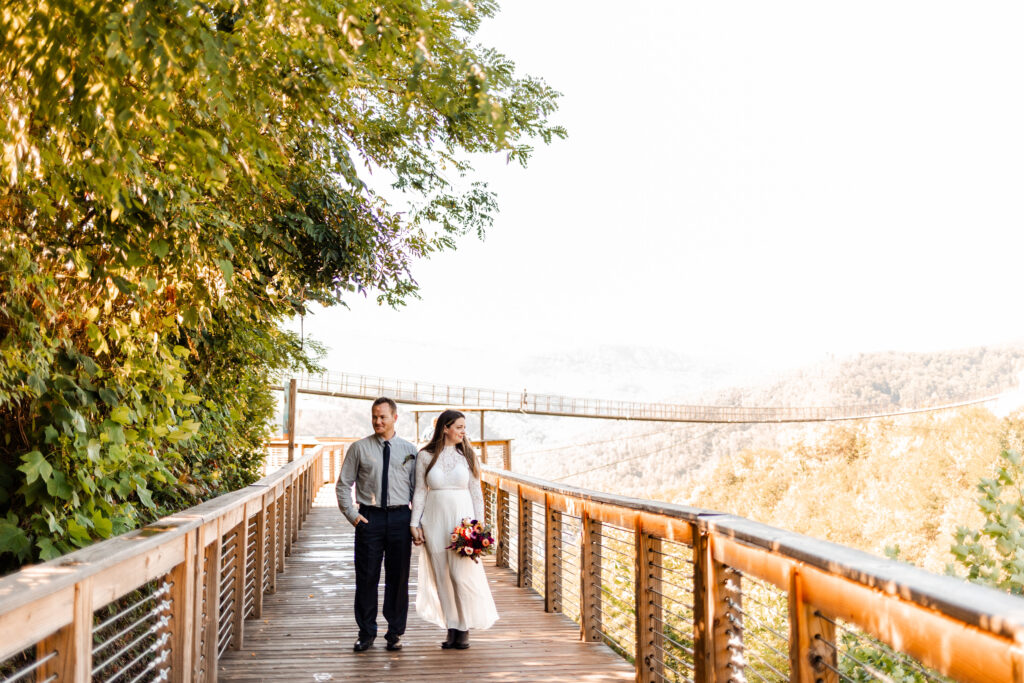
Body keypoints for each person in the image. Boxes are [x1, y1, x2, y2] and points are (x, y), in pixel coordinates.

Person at [410, 409, 499, 649]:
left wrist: (479, 527)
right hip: (434, 519)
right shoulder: (426, 456)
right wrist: (414, 523)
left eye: (464, 427)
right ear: (445, 428)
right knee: (442, 575)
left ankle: (465, 625)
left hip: (463, 522)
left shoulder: (467, 454)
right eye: (459, 427)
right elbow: (420, 490)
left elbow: (476, 493)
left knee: (461, 575)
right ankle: (452, 627)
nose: (463, 431)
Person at [336, 397, 419, 652]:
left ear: (395, 418)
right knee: (367, 577)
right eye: (374, 416)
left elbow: (418, 490)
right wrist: (353, 515)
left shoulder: (410, 450)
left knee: (398, 578)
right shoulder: (359, 448)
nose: (377, 421)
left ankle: (394, 632)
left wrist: (417, 522)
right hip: (369, 519)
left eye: (382, 416)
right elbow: (342, 485)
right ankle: (366, 632)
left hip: (400, 519)